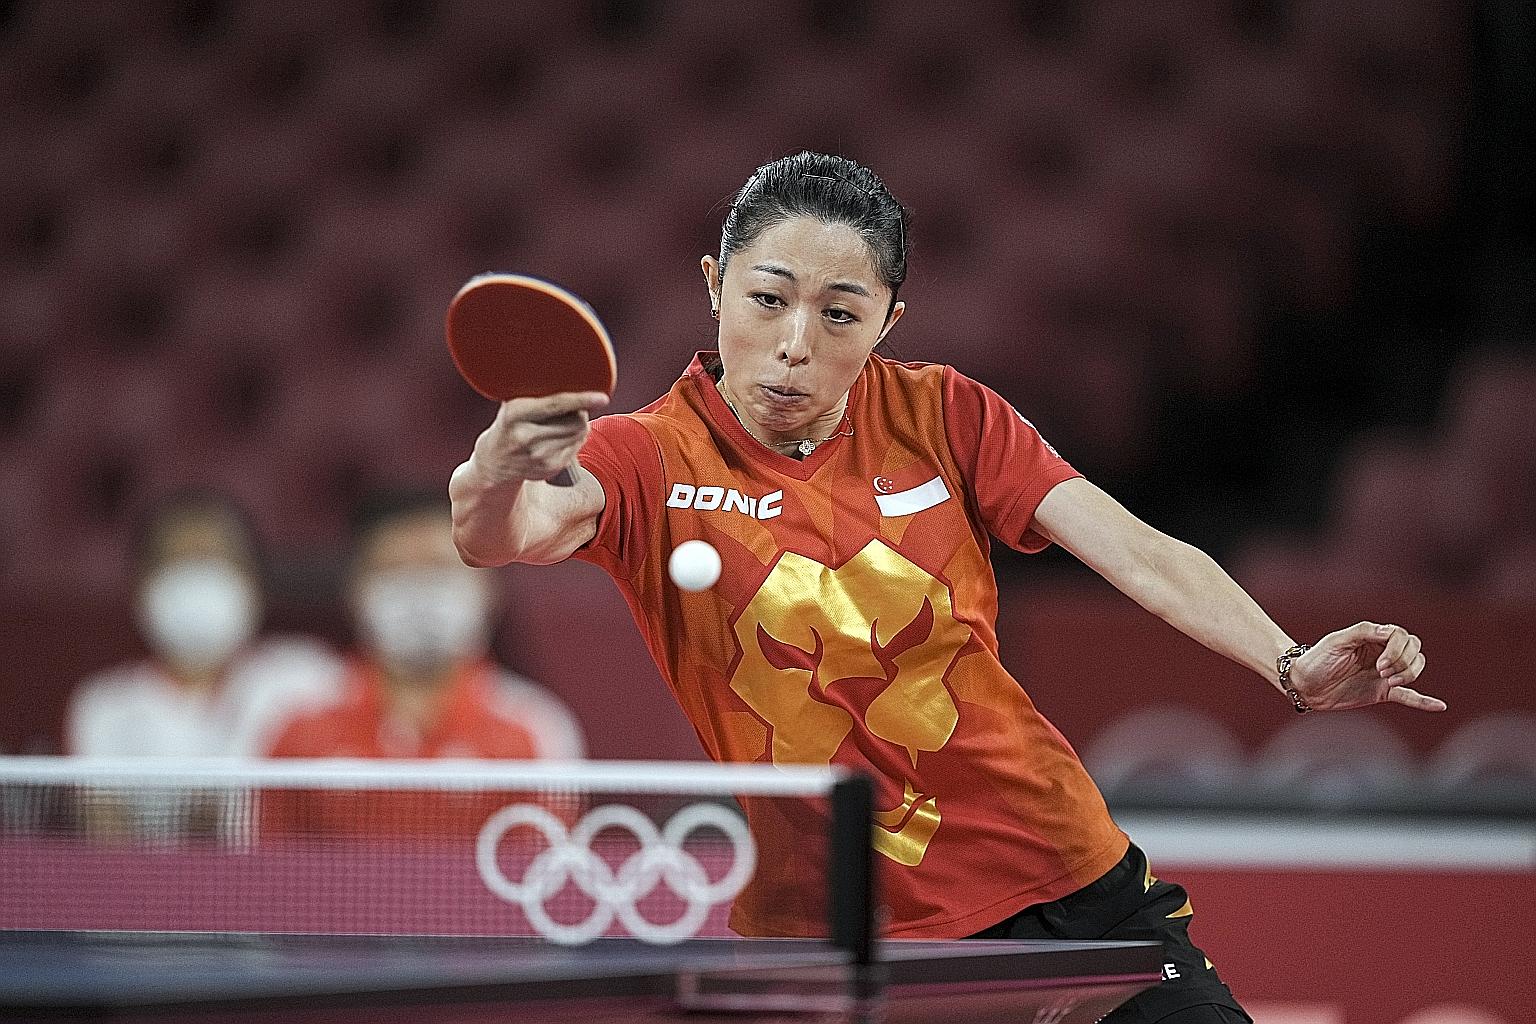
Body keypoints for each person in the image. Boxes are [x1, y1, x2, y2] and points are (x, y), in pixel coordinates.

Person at [447, 152, 1440, 1023]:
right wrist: (493, 469)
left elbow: (1135, 549)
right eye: (767, 298)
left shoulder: (945, 413)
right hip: (829, 929)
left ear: (888, 318)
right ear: (715, 285)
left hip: (1055, 870)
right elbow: (510, 533)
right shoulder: (646, 456)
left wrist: (1288, 660)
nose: (797, 341)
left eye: (840, 313)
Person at [265, 489, 584, 762]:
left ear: (487, 590)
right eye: (397, 570)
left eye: (439, 568)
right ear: (355, 592)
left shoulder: (537, 729)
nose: (419, 593)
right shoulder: (297, 725)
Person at [67, 491, 338, 760]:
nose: (198, 579)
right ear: (140, 587)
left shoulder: (310, 679)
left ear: (254, 585)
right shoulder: (105, 706)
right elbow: (100, 804)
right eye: (179, 560)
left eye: (215, 558)